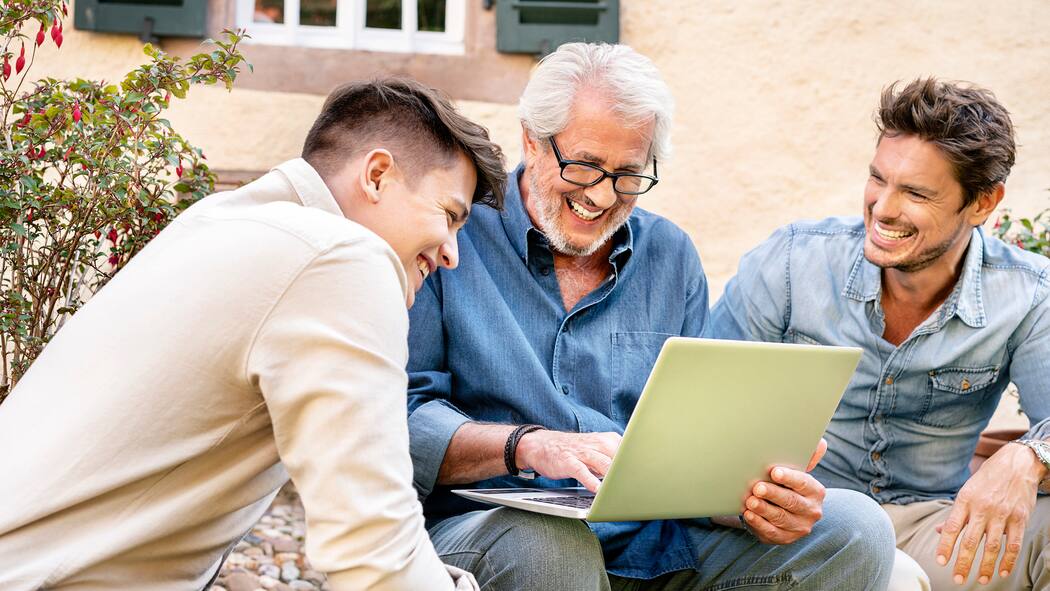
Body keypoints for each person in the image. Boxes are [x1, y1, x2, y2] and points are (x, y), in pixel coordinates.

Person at [406, 42, 896, 590]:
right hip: (492, 536)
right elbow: (403, 415)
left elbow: (692, 448)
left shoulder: (671, 256)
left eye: (628, 175)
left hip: (652, 546)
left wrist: (754, 502)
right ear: (530, 140)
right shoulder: (454, 237)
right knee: (551, 546)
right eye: (585, 165)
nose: (600, 194)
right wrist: (528, 445)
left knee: (857, 529)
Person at [0, 78, 505, 590]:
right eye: (450, 216)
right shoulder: (341, 259)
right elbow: (374, 552)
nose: (451, 254)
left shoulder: (220, 223)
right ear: (377, 176)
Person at [708, 78, 1050, 590]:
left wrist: (1029, 457)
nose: (883, 208)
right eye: (878, 179)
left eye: (915, 192)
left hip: (938, 528)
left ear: (982, 204)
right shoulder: (789, 264)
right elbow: (703, 408)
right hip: (806, 529)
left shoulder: (1028, 294)